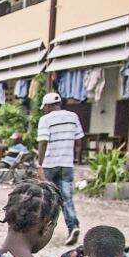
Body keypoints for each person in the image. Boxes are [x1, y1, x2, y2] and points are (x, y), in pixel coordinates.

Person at [37, 92, 84, 246]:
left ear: (48, 105)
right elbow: (79, 141)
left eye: (45, 107)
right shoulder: (73, 117)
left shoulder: (45, 119)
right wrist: (77, 158)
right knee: (66, 198)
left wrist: (40, 164)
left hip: (50, 163)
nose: (45, 110)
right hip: (67, 163)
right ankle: (73, 226)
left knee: (48, 198)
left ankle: (44, 230)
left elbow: (43, 142)